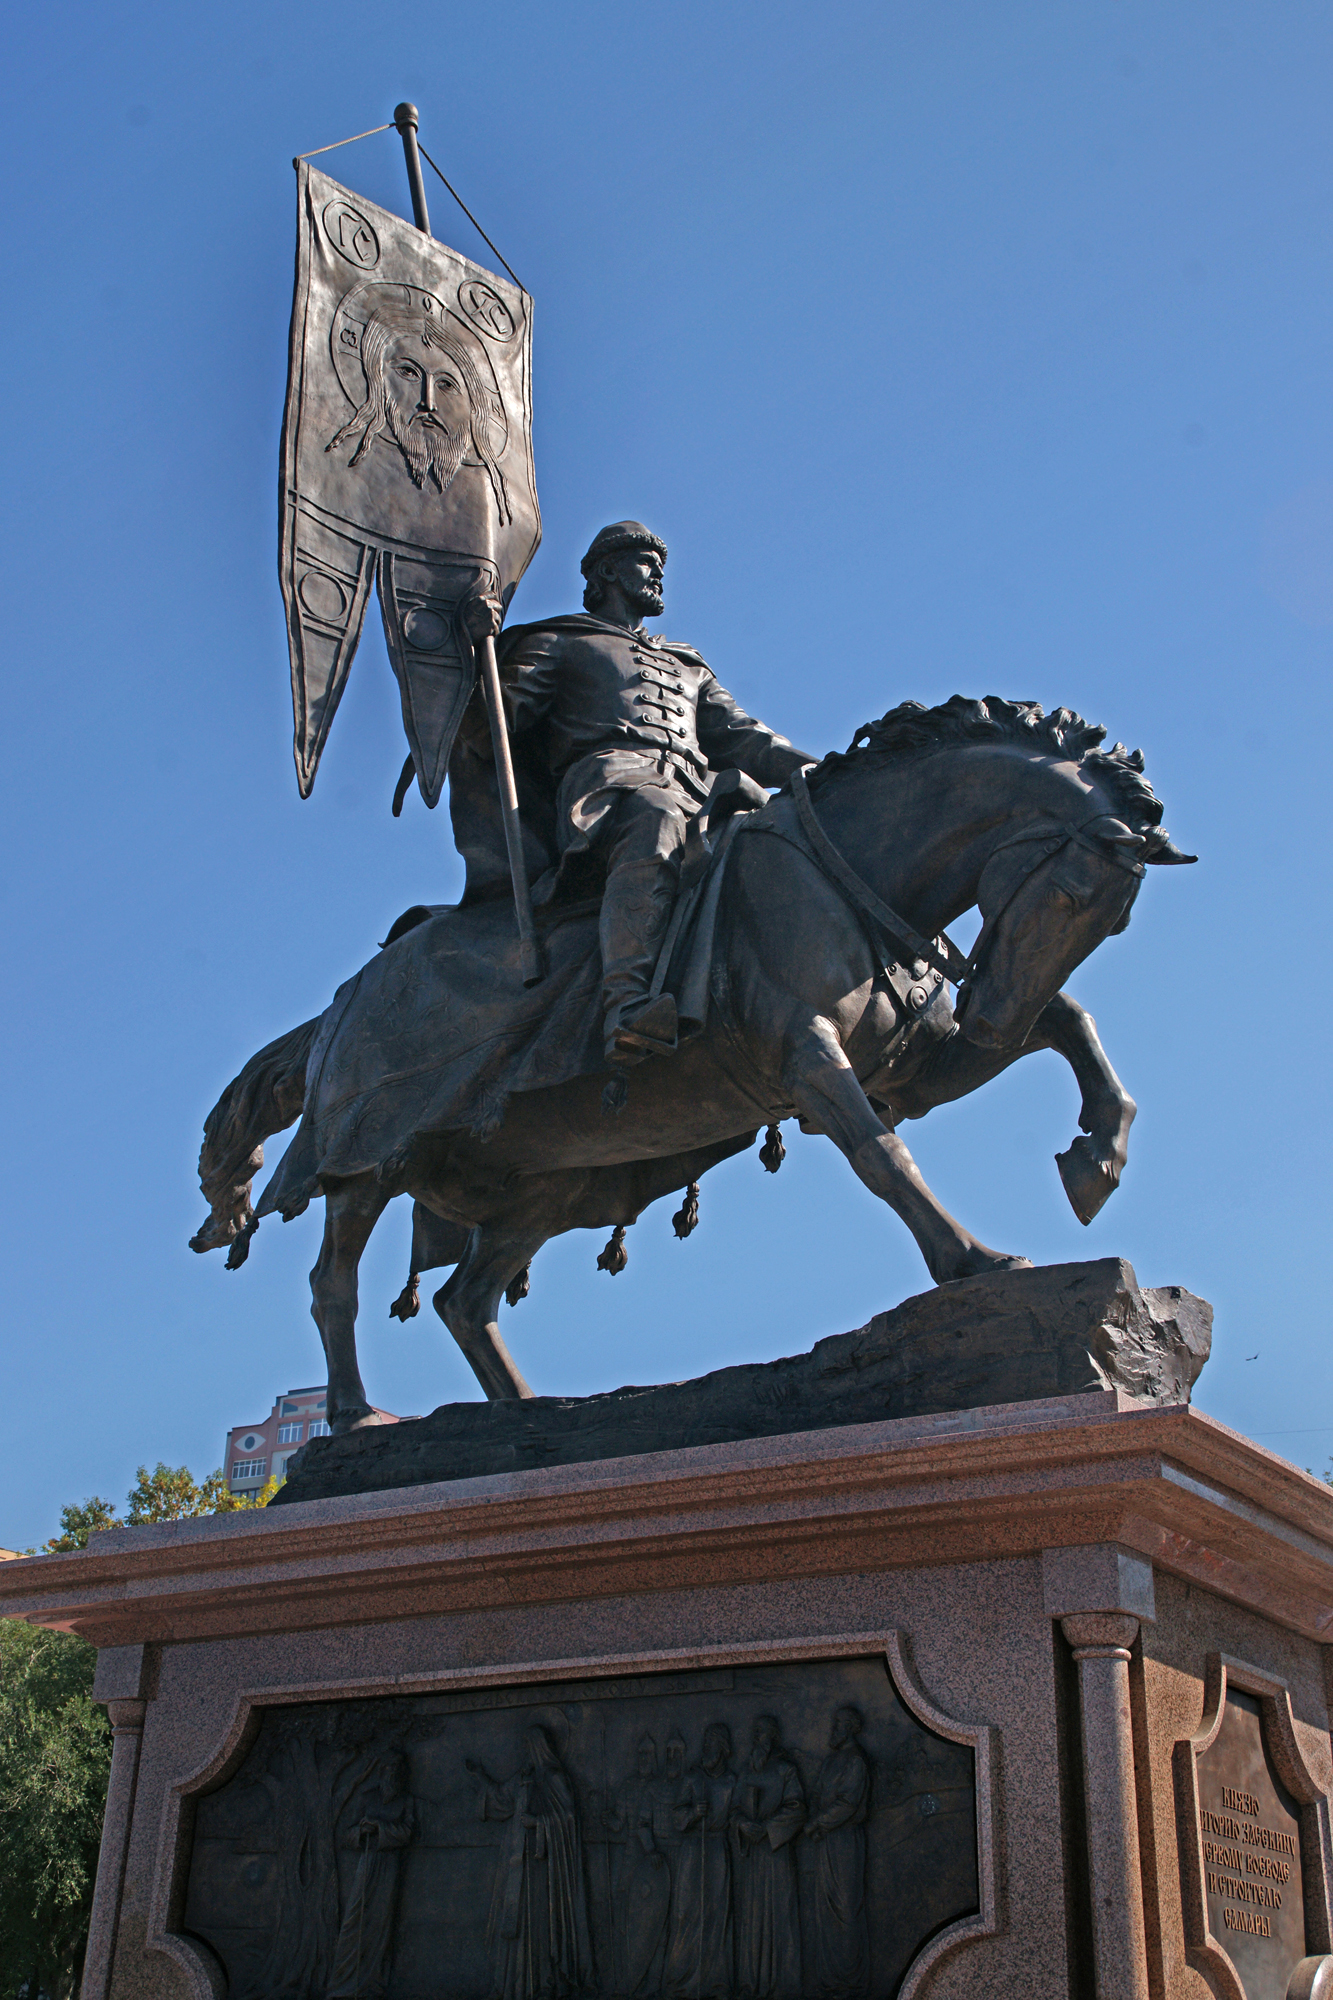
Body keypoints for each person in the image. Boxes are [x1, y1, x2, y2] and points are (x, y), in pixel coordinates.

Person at [464, 523, 814, 1063]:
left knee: (779, 837)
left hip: (701, 790)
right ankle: (627, 1005)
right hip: (611, 788)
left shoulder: (688, 665)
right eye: (645, 563)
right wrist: (473, 649)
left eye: (660, 566)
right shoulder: (559, 641)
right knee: (658, 814)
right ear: (607, 571)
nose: (657, 576)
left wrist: (818, 769)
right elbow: (490, 729)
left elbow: (746, 738)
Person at [469, 1726, 594, 2000]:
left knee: (541, 1923)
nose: (525, 1750)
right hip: (518, 1867)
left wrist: (539, 1823)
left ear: (538, 1746)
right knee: (518, 1924)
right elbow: (501, 1799)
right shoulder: (524, 1778)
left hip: (545, 1870)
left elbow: (569, 1819)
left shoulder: (554, 1777)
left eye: (528, 1744)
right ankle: (518, 1985)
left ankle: (544, 1983)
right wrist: (479, 1777)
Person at [325, 1750, 417, 1999]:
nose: (393, 1776)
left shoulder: (406, 1801)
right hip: (367, 1863)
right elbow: (347, 1835)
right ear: (382, 1773)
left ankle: (372, 1982)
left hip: (390, 1866)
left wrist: (382, 1828)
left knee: (380, 1921)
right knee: (355, 1918)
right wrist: (361, 1831)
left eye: (398, 1772)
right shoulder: (368, 1798)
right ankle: (343, 1982)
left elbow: (408, 1832)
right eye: (389, 1771)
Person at [663, 1723, 736, 2000]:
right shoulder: (692, 1778)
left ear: (723, 1748)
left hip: (717, 1849)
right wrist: (693, 1813)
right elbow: (676, 1817)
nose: (706, 1748)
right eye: (704, 1743)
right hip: (693, 1850)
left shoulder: (730, 1781)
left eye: (711, 1743)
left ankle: (716, 1984)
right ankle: (681, 1983)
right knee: (686, 1914)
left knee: (717, 1914)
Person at [733, 1716, 804, 2000]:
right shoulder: (746, 1772)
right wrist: (741, 1824)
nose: (756, 1738)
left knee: (778, 1914)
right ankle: (751, 1984)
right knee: (752, 1917)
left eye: (761, 1733)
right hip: (752, 1856)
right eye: (754, 1733)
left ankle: (783, 1987)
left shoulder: (786, 1770)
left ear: (773, 1736)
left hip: (776, 1852)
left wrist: (768, 1829)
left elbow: (797, 1808)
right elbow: (735, 1808)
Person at [803, 1707, 870, 2000]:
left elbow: (848, 1803)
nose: (833, 1728)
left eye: (839, 1724)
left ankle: (851, 1980)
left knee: (846, 1906)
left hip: (844, 1840)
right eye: (834, 1723)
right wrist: (816, 1818)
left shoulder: (856, 1762)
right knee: (825, 1907)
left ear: (851, 1728)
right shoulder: (831, 1760)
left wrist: (819, 1821)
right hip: (825, 1840)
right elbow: (818, 1793)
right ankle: (830, 1980)